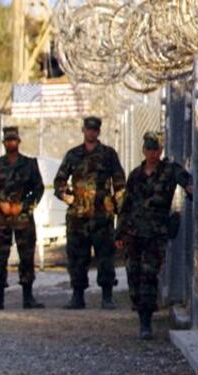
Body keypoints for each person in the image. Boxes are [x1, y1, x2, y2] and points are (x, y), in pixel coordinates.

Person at [115, 131, 193, 339]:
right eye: (149, 149)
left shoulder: (169, 170)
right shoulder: (136, 175)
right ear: (144, 150)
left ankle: (146, 323)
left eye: (156, 149)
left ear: (160, 150)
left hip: (155, 234)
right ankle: (140, 310)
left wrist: (191, 189)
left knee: (149, 275)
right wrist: (119, 233)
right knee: (133, 275)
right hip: (133, 233)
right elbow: (126, 205)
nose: (153, 153)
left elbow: (187, 181)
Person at [54, 116, 127, 310]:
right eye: (89, 129)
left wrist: (119, 208)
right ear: (83, 130)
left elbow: (119, 182)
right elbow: (59, 181)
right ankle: (78, 296)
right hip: (78, 216)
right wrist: (64, 195)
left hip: (102, 215)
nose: (91, 132)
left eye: (95, 130)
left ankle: (107, 296)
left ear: (99, 132)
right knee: (77, 257)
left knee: (105, 257)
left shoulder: (108, 154)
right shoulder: (73, 154)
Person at [0, 126, 46, 310]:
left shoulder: (30, 164)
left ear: (19, 141)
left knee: (27, 257)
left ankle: (28, 297)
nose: (11, 143)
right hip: (1, 220)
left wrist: (24, 205)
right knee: (0, 259)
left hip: (23, 219)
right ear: (4, 142)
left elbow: (38, 189)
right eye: (8, 140)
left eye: (13, 140)